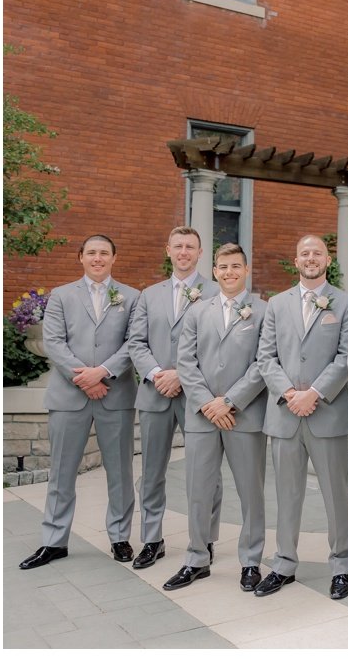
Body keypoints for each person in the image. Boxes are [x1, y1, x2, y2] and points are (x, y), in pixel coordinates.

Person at [22, 235, 140, 570]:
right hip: (68, 396)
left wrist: (102, 373)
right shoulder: (61, 295)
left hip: (115, 394)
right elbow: (53, 341)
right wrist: (84, 379)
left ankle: (120, 537)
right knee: (61, 471)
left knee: (120, 471)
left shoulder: (132, 297)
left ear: (114, 258)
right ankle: (54, 541)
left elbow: (134, 342)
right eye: (91, 253)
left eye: (104, 253)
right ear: (81, 257)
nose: (97, 258)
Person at [254, 234, 348, 599]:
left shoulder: (347, 303)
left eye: (317, 253)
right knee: (286, 494)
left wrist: (313, 394)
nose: (311, 258)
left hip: (327, 413)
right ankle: (283, 564)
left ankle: (342, 566)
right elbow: (265, 356)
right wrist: (289, 394)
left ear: (327, 260)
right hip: (285, 414)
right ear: (296, 261)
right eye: (304, 253)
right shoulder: (276, 304)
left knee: (336, 495)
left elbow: (347, 356)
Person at [165, 243, 269, 592]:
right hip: (202, 416)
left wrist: (231, 401)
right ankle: (196, 558)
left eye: (235, 266)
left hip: (244, 415)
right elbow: (185, 362)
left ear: (246, 269)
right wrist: (208, 403)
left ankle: (251, 561)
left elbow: (264, 362)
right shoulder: (197, 311)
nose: (229, 272)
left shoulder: (263, 311)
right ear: (214, 271)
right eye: (223, 267)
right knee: (198, 489)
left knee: (250, 491)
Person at [125, 226, 219, 569]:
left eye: (190, 247)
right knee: (151, 472)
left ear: (200, 252)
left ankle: (204, 539)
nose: (183, 252)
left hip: (198, 396)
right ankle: (152, 539)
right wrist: (156, 374)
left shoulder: (215, 292)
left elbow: (217, 345)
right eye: (178, 246)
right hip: (155, 393)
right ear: (168, 250)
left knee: (206, 472)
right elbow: (136, 342)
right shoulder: (148, 295)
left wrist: (182, 374)